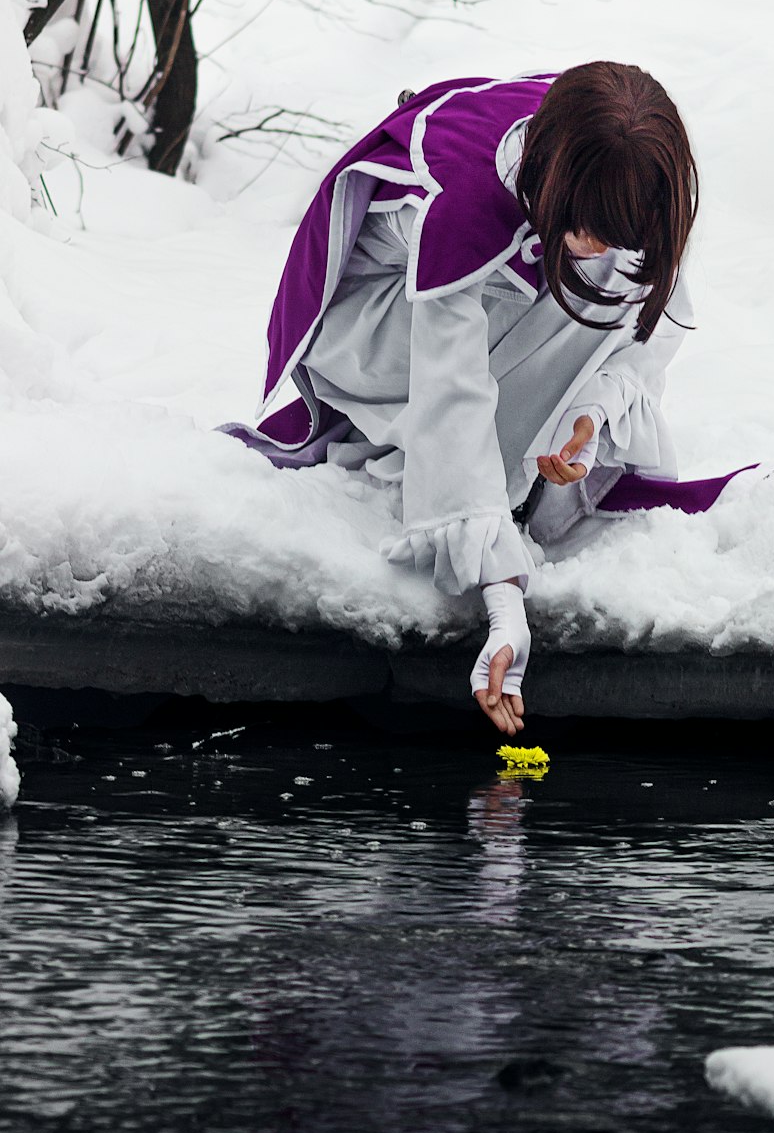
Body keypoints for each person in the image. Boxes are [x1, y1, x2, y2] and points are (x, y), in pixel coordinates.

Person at [225, 62, 700, 734]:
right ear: (551, 177)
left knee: (614, 276)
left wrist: (586, 416)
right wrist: (503, 598)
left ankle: (511, 459)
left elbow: (646, 325)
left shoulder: (619, 151)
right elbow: (456, 394)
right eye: (587, 223)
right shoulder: (466, 207)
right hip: (370, 329)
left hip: (486, 289)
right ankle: (458, 479)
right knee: (583, 294)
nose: (597, 241)